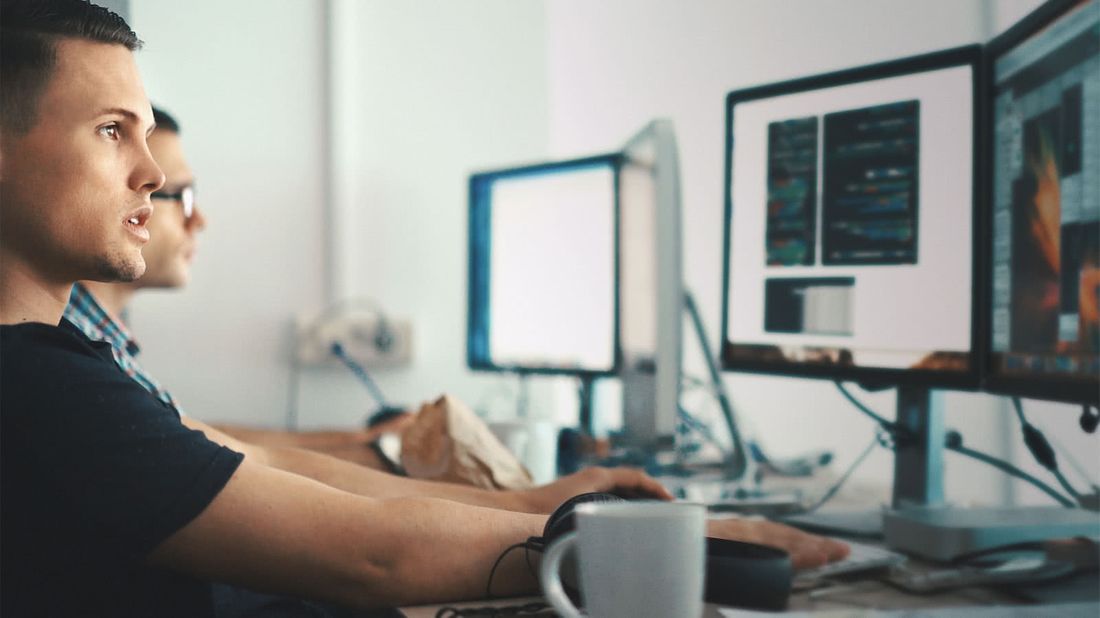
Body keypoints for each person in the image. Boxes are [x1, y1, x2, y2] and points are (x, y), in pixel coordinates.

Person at [0, 1, 847, 615]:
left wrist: (536, 505)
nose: (152, 174)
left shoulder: (58, 368)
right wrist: (671, 550)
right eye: (114, 131)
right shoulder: (34, 385)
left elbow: (265, 469)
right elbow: (377, 554)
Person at [63, 104, 410, 471]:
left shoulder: (103, 332)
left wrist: (359, 441)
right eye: (179, 195)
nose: (199, 220)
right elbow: (197, 458)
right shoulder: (73, 349)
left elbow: (188, 433)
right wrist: (390, 455)